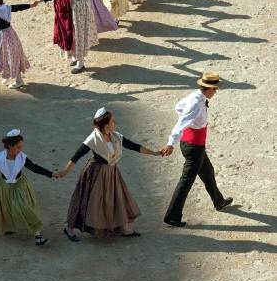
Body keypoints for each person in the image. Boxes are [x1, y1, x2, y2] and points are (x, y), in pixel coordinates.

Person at [56, 108, 161, 240]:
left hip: (112, 172)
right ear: (106, 126)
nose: (115, 123)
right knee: (86, 201)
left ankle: (124, 228)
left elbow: (134, 146)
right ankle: (69, 228)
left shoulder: (115, 136)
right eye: (112, 121)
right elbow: (77, 155)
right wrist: (65, 171)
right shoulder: (93, 139)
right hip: (96, 175)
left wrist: (155, 153)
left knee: (118, 198)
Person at [161, 73, 233, 227]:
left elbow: (178, 107)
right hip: (194, 148)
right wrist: (170, 143)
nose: (216, 91)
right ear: (209, 88)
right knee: (186, 181)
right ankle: (172, 217)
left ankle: (219, 201)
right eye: (215, 89)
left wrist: (192, 125)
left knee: (208, 172)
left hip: (192, 144)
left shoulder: (196, 96)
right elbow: (181, 122)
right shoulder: (196, 103)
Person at [0, 129, 54, 246]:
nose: (20, 149)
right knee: (8, 209)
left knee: (26, 208)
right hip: (4, 187)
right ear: (9, 146)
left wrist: (51, 174)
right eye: (18, 147)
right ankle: (10, 227)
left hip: (20, 186)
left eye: (21, 146)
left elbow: (35, 168)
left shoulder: (22, 157)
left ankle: (38, 236)